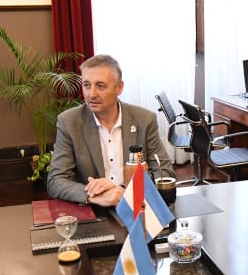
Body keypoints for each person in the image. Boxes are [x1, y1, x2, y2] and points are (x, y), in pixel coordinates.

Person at [48, 54, 173, 207]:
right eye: (86, 85)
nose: (91, 94)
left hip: (138, 207)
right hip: (93, 210)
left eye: (100, 86)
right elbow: (56, 180)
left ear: (119, 87)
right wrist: (94, 195)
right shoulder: (69, 122)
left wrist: (121, 190)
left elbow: (164, 173)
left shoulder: (144, 120)